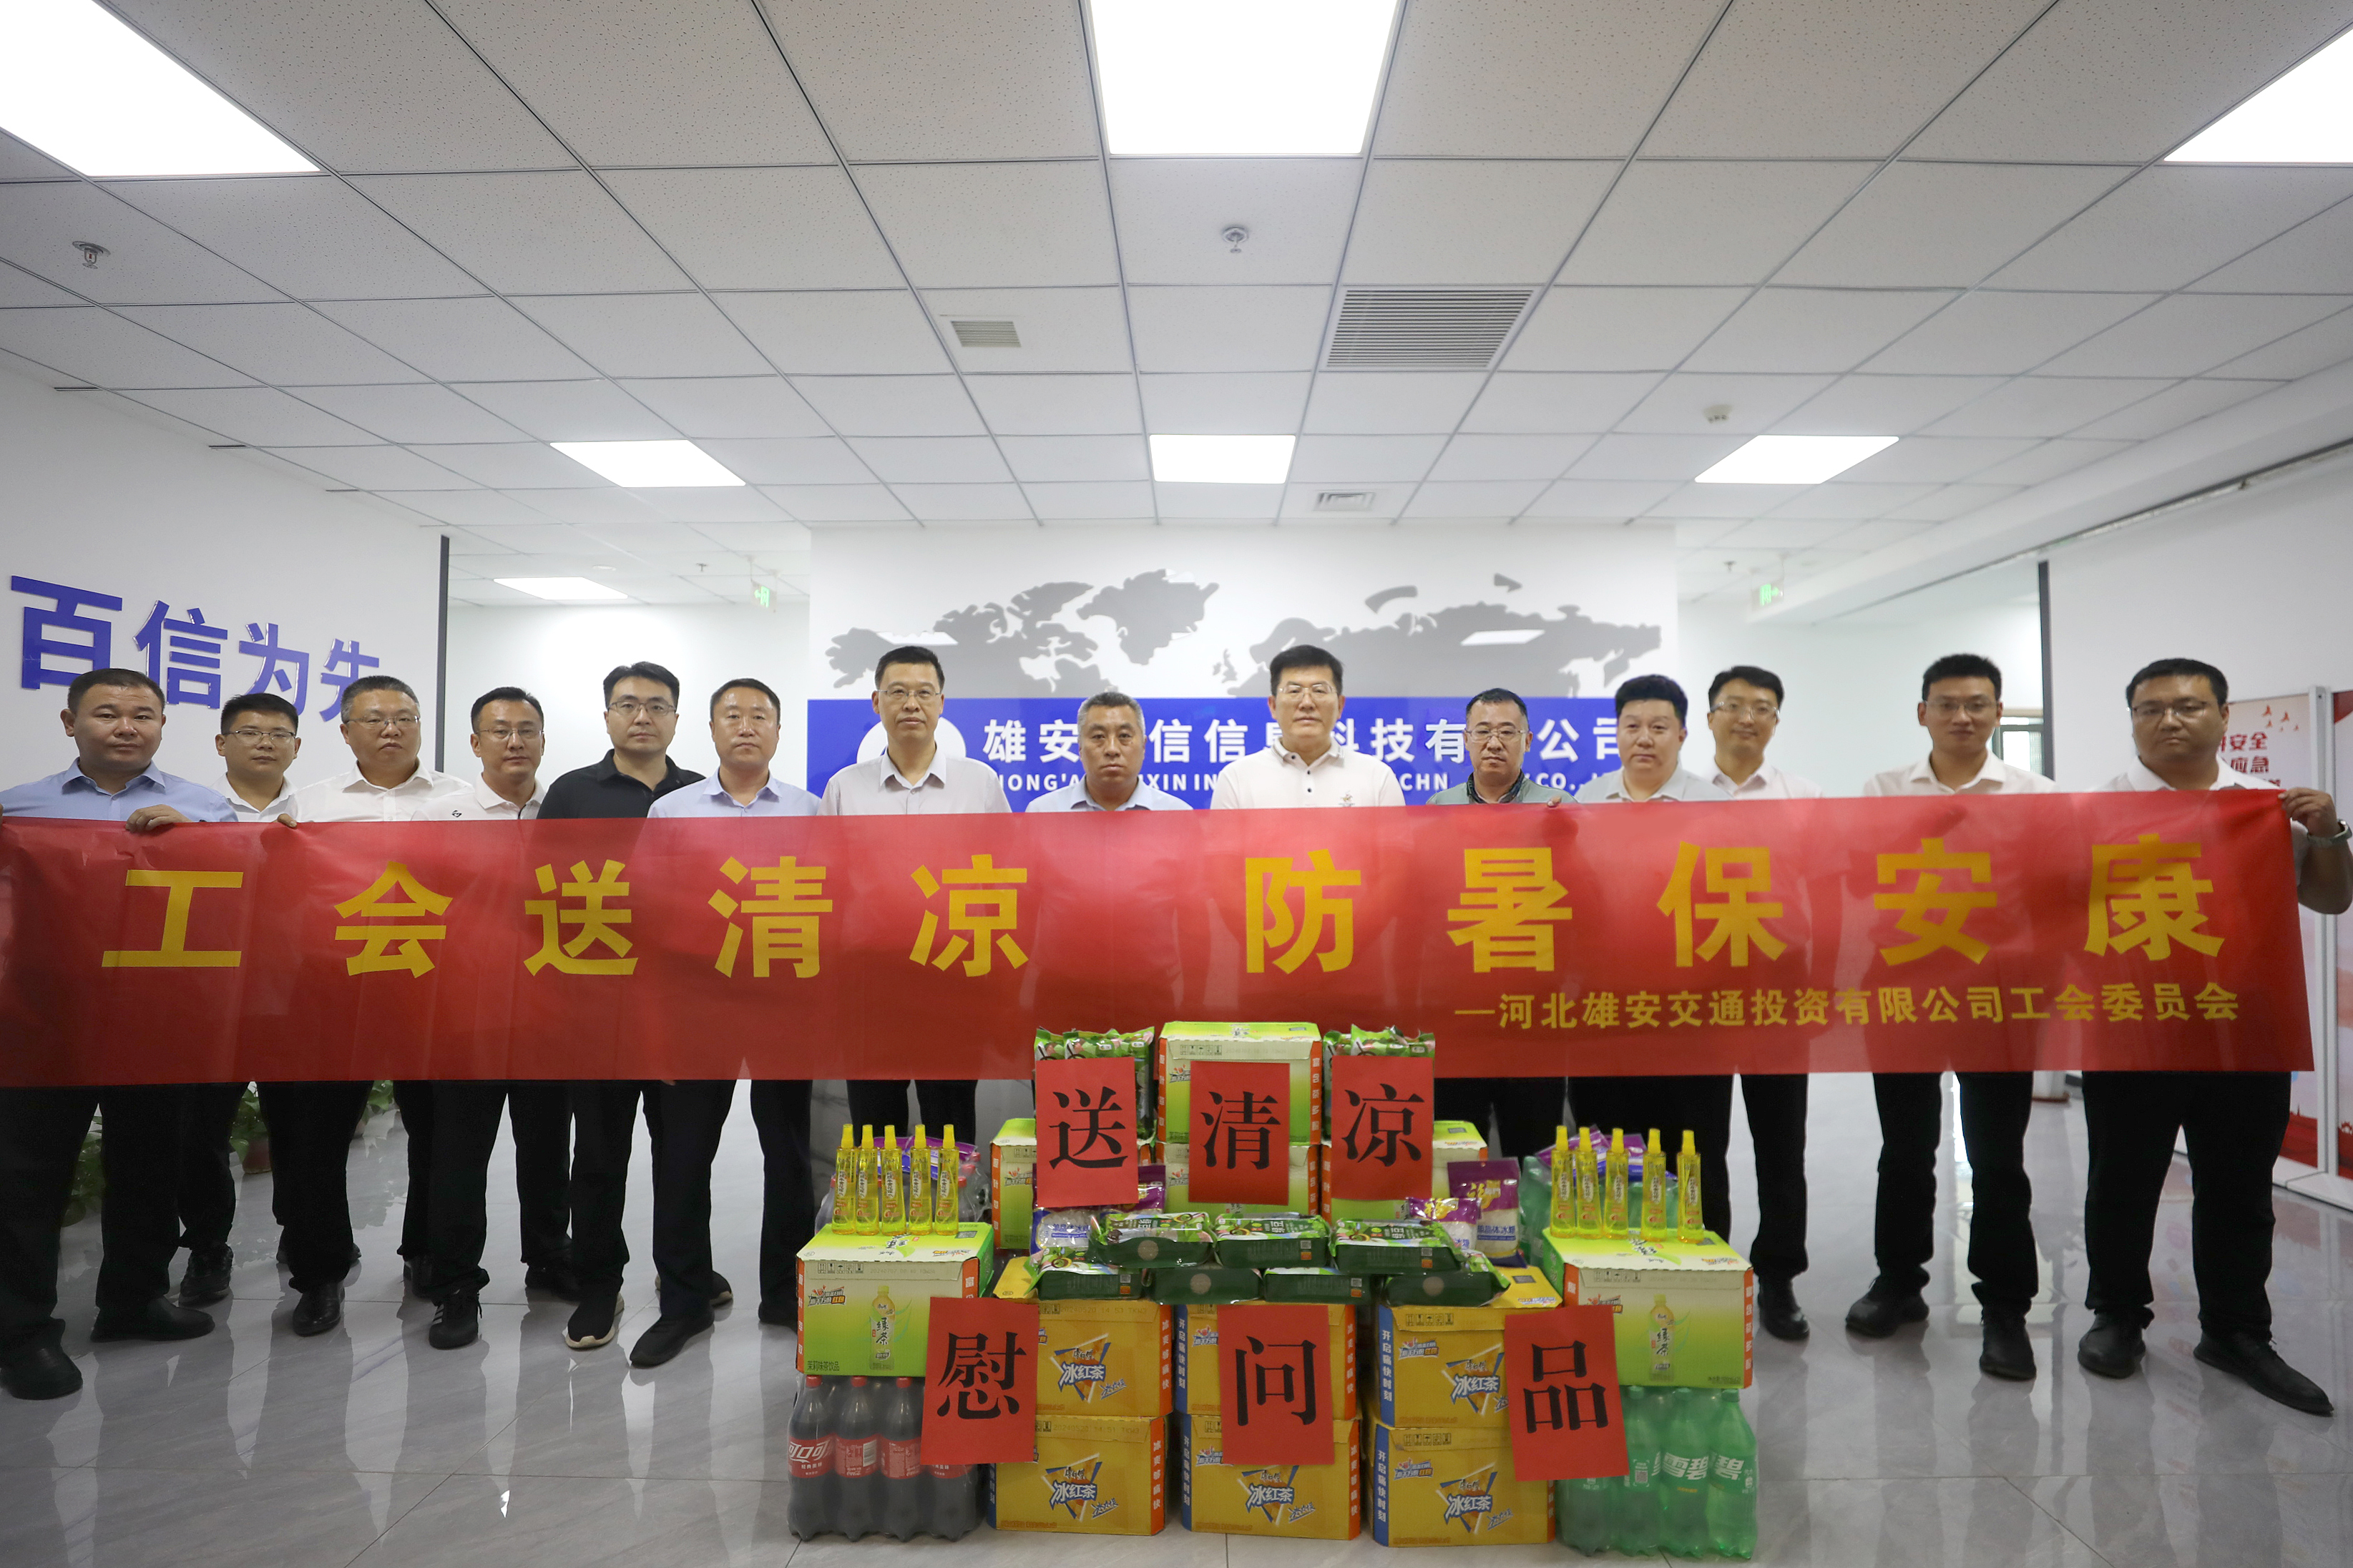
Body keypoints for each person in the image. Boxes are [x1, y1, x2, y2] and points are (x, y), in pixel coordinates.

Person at [2076, 658, 2352, 1415]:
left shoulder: (2265, 808)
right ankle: (2116, 1315)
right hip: (2131, 1026)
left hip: (2243, 1027)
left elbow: (2330, 900)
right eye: (2150, 708)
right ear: (2132, 719)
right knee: (2122, 1181)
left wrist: (2329, 833)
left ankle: (2236, 1332)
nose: (2169, 720)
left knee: (2238, 1187)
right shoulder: (2092, 811)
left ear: (2224, 716)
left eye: (2188, 705)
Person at [0, 669, 235, 1401]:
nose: (126, 727)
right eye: (107, 713)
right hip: (44, 1022)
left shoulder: (204, 809)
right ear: (70, 723)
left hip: (156, 1018)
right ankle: (21, 1332)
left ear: (163, 724)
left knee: (150, 1165)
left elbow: (247, 897)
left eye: (143, 714)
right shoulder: (17, 810)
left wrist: (196, 844)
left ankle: (134, 1299)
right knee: (28, 1177)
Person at [1849, 652, 2055, 1383]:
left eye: (1976, 704)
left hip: (1997, 991)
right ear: (1922, 713)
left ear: (1997, 712)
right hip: (1902, 983)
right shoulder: (1882, 790)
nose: (1961, 716)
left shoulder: (2035, 794)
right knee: (1904, 1146)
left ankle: (2004, 1305)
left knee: (1995, 1154)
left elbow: (2054, 890)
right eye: (1946, 704)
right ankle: (1898, 1280)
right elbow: (1858, 879)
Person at [631, 678, 824, 1368]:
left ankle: (785, 1295)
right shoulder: (671, 810)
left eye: (760, 716)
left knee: (789, 1153)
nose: (746, 726)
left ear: (778, 731)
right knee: (683, 1155)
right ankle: (683, 1303)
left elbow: (834, 906)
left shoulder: (811, 811)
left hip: (784, 1005)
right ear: (710, 729)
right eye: (732, 715)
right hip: (696, 1006)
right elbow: (648, 912)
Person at [287, 677, 474, 1316]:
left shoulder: (461, 802)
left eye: (405, 717)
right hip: (337, 987)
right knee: (319, 1135)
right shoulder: (309, 804)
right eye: (374, 719)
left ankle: (428, 1251)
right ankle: (319, 1274)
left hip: (433, 986)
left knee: (436, 1132)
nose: (391, 729)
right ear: (346, 732)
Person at [539, 662, 705, 1357]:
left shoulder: (701, 795)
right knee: (600, 1155)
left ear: (676, 719)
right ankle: (598, 1283)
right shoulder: (571, 793)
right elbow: (539, 892)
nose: (643, 716)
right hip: (598, 1004)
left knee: (683, 1156)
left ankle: (685, 1283)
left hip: (684, 1010)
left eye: (657, 705)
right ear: (606, 715)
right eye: (628, 704)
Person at [414, 688, 576, 1352]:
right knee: (458, 1154)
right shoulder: (439, 815)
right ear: (475, 743)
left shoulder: (567, 814)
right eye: (500, 731)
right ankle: (456, 1284)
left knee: (547, 1147)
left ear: (543, 741)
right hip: (465, 1012)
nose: (515, 742)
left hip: (549, 1011)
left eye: (527, 730)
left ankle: (549, 1257)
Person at [1566, 675, 1735, 1248]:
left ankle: (1706, 1266)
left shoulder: (1717, 809)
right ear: (1615, 732)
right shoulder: (1584, 804)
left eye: (1659, 727)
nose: (1644, 738)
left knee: (1695, 1151)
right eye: (1632, 726)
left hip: (1691, 1013)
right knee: (1609, 1149)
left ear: (1682, 734)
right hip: (1604, 1011)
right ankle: (1612, 1266)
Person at [821, 646, 1007, 1146]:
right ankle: (881, 1202)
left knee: (951, 1124)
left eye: (924, 693)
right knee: (874, 1125)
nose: (911, 704)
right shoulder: (844, 788)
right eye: (898, 692)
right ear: (876, 702)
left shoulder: (980, 784)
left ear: (941, 703)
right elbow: (826, 887)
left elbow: (1005, 879)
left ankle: (953, 1200)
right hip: (869, 983)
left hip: (952, 979)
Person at [171, 692, 307, 1315]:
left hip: (298, 993)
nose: (265, 742)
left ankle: (302, 1233)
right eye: (250, 731)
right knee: (202, 1129)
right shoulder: (185, 812)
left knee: (300, 1125)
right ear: (222, 743)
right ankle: (207, 1247)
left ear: (296, 747)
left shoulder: (319, 812)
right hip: (209, 996)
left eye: (279, 733)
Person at [1701, 666, 1822, 1344]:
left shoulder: (1804, 797)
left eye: (1762, 708)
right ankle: (1711, 1264)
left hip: (1780, 988)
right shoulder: (1686, 795)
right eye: (1733, 705)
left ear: (1776, 721)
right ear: (1709, 718)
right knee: (1702, 1140)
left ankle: (1777, 1276)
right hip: (1697, 989)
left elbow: (1826, 894)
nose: (1746, 717)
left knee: (1781, 1143)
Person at [1426, 687, 1567, 1160]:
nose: (1494, 743)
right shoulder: (1437, 810)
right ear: (1465, 739)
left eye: (1507, 732)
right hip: (1459, 1009)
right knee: (1458, 1149)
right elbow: (1424, 903)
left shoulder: (1557, 808)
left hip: (1533, 1008)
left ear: (1527, 740)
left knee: (1534, 1150)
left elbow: (1582, 903)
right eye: (1483, 731)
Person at [1209, 645, 1407, 810]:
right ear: (1273, 706)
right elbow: (1224, 848)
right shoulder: (1236, 778)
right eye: (1294, 691)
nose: (1307, 703)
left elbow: (1396, 847)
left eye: (1319, 691)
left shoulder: (1377, 777)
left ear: (1340, 706)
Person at [1027, 692, 1190, 811]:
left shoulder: (1178, 814)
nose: (1112, 749)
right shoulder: (1043, 811)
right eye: (1098, 736)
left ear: (1143, 746)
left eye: (1124, 736)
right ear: (1080, 748)